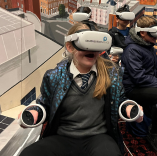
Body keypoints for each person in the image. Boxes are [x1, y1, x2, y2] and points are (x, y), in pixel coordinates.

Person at [18, 22, 143, 156]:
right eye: (86, 44)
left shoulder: (111, 74)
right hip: (62, 137)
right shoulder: (53, 77)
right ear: (70, 47)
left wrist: (130, 109)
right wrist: (33, 114)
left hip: (98, 137)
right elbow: (45, 105)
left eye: (96, 45)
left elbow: (119, 100)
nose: (91, 50)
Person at [121, 15, 157, 154]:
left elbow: (156, 71)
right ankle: (154, 133)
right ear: (142, 33)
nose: (156, 39)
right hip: (133, 88)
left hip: (144, 84)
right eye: (153, 35)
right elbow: (139, 78)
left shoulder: (148, 47)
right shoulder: (132, 50)